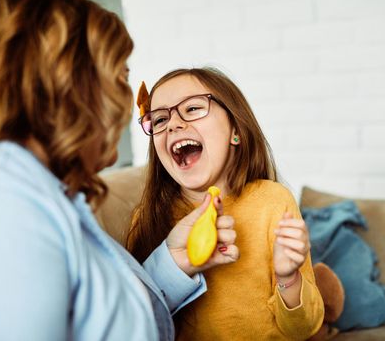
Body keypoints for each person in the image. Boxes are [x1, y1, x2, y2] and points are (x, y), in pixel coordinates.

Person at [0, 0, 239, 340]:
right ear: (67, 85)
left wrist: (174, 262)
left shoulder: (40, 190)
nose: (124, 102)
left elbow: (104, 317)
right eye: (119, 78)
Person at [127, 67, 325, 340]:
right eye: (159, 119)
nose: (172, 124)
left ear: (236, 132)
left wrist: (288, 278)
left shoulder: (272, 201)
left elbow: (305, 328)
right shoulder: (146, 218)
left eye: (193, 108)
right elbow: (135, 321)